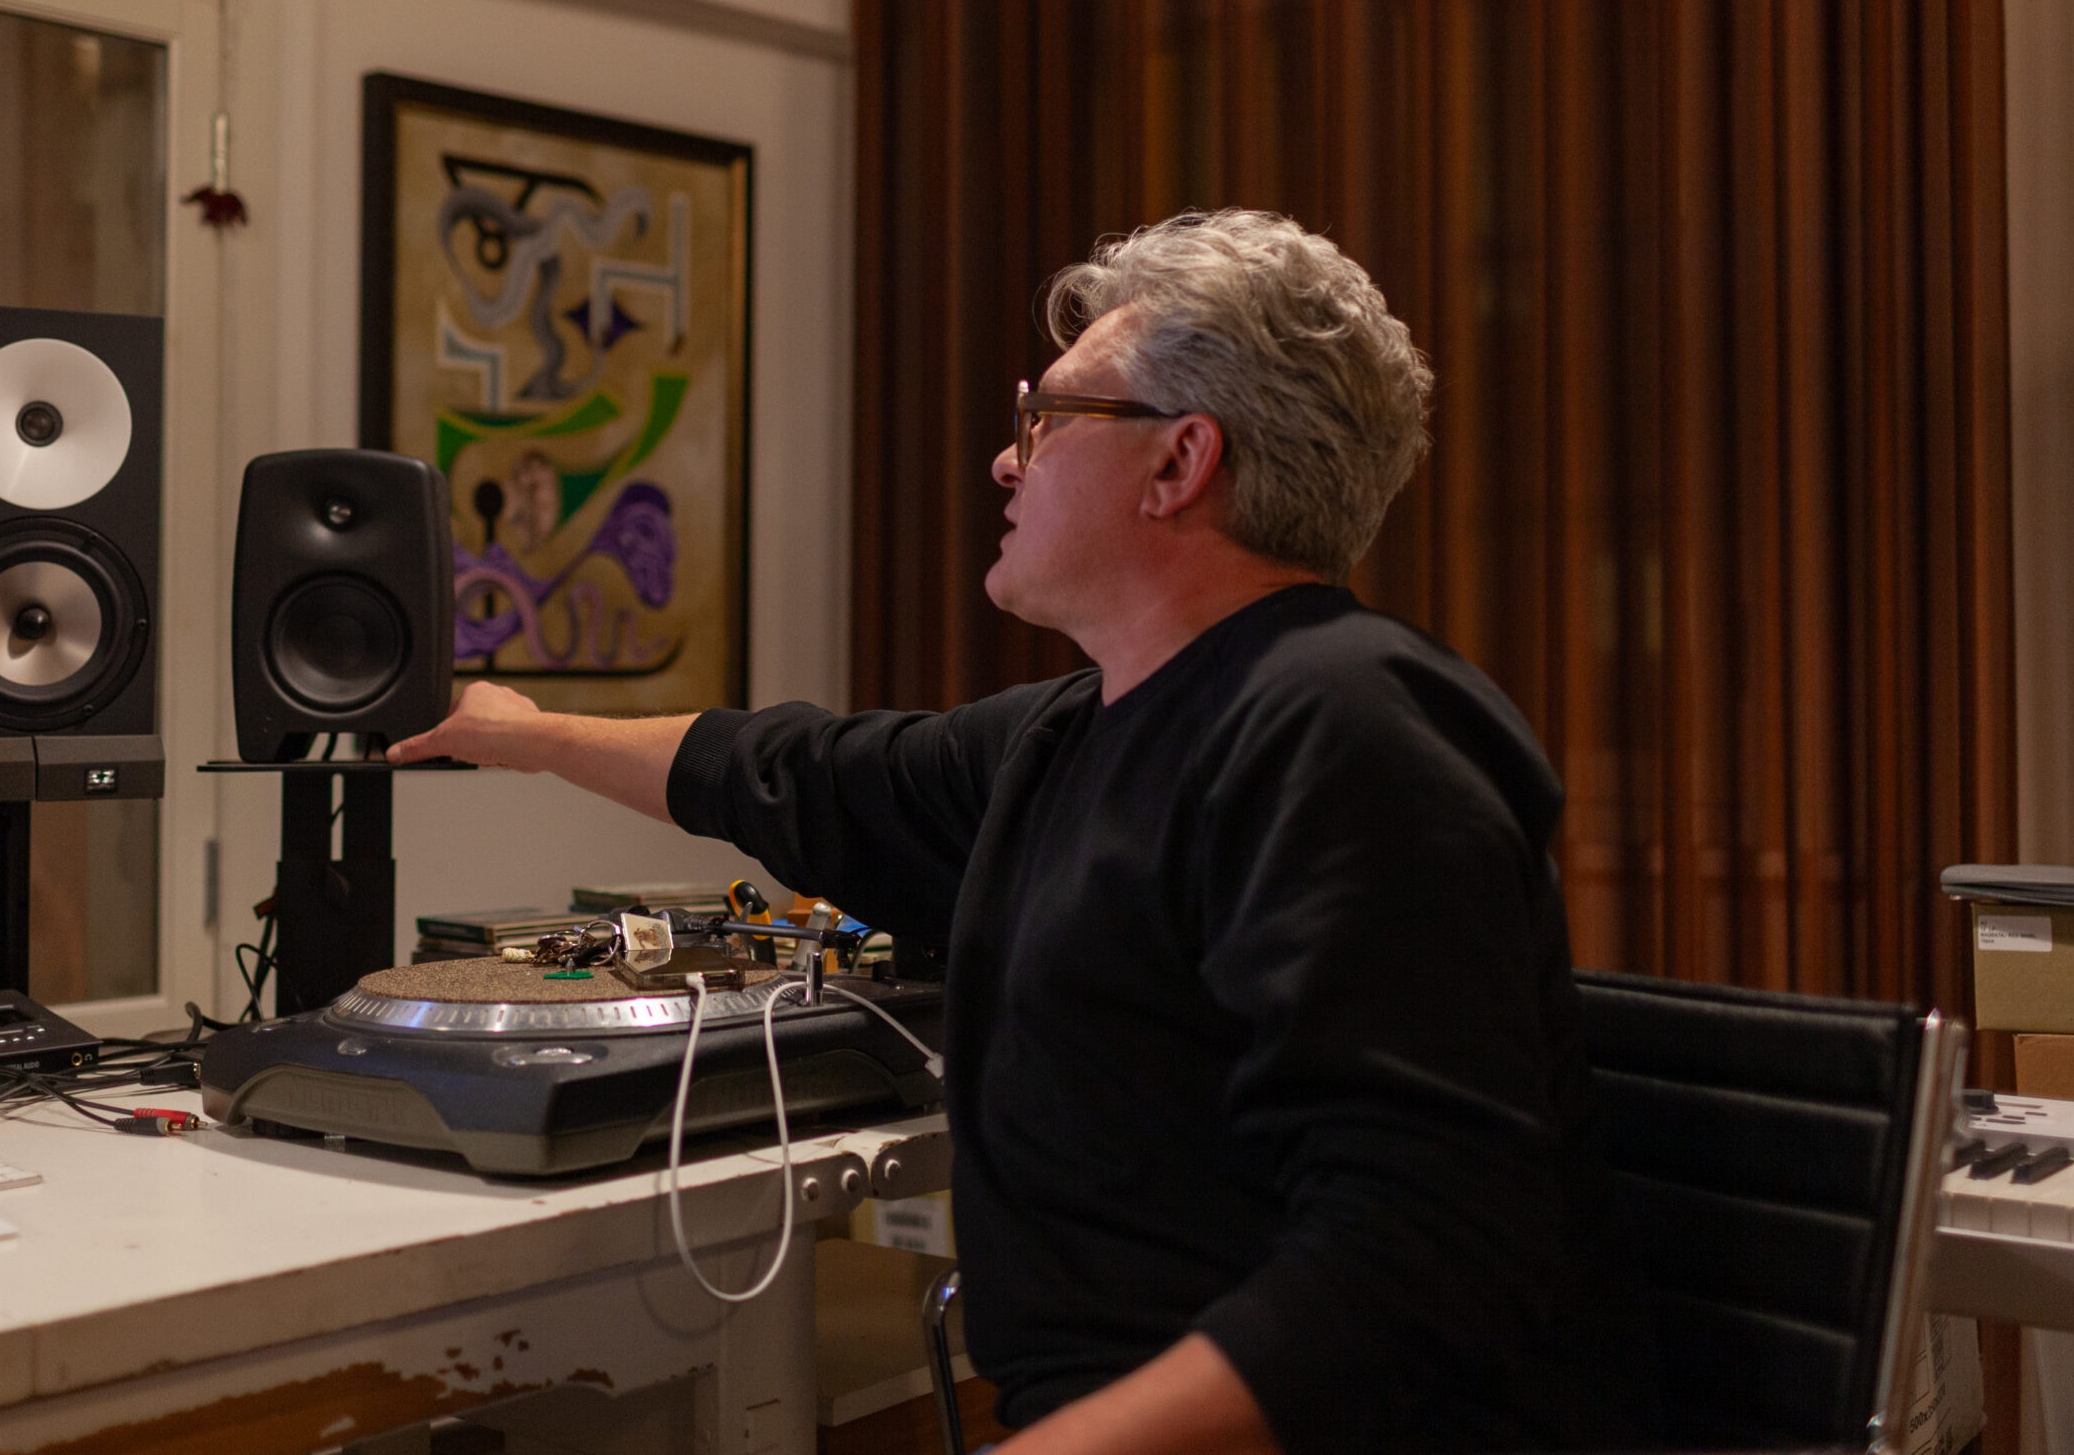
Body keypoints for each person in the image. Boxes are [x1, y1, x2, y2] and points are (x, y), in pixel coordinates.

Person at [391, 210, 1650, 1455]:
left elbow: (1419, 1257)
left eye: (1046, 418)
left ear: (1178, 462)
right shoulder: (1076, 730)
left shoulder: (1348, 730)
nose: (1007, 460)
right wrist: (531, 733)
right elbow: (799, 774)